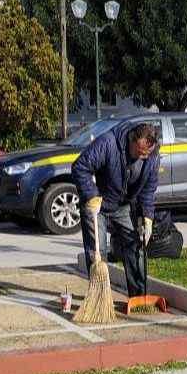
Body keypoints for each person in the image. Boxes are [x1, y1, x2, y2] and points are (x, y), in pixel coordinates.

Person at [71, 121, 160, 297]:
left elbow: (148, 190)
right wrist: (91, 195)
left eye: (146, 154)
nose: (143, 157)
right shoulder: (108, 143)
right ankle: (100, 297)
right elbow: (80, 166)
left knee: (136, 245)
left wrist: (147, 218)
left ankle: (139, 295)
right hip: (98, 204)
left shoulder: (152, 155)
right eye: (140, 152)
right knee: (97, 252)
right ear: (131, 140)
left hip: (122, 205)